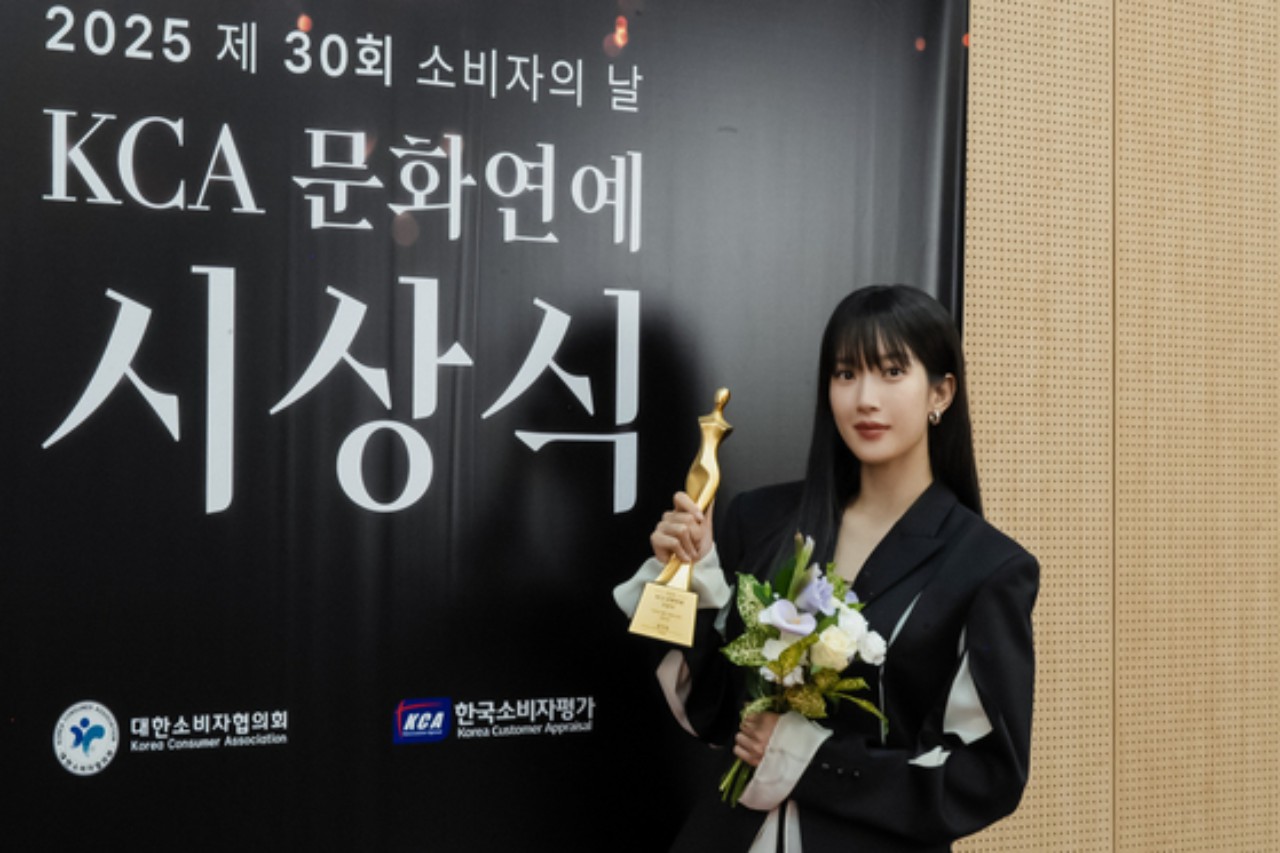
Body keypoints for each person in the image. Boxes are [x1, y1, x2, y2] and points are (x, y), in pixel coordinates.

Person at [614, 285, 1039, 852]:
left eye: (892, 372)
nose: (865, 399)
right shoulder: (759, 519)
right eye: (845, 374)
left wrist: (810, 760)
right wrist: (685, 575)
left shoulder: (987, 566)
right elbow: (710, 716)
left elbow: (982, 775)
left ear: (940, 393)